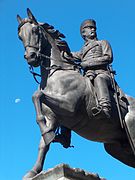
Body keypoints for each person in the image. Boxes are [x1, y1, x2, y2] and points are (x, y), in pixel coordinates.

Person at [64, 19, 113, 119]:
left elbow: (108, 57)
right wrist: (62, 51)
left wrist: (87, 64)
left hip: (102, 73)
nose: (93, 29)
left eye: (94, 28)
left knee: (99, 79)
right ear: (83, 33)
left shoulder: (102, 43)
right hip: (88, 76)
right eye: (90, 28)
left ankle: (105, 108)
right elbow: (71, 56)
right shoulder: (82, 51)